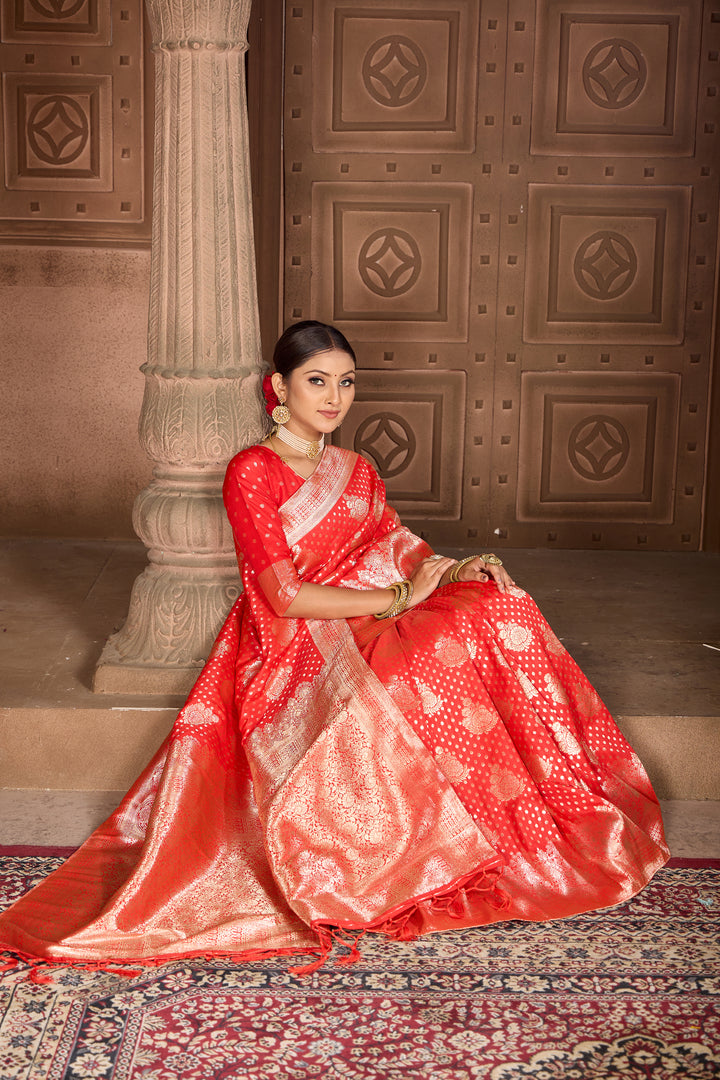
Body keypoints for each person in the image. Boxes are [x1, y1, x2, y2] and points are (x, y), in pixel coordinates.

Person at [0, 321, 668, 976]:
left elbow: (393, 547)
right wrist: (399, 602)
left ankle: (535, 822)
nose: (333, 397)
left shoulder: (356, 468)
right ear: (279, 388)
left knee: (496, 608)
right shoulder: (252, 472)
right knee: (419, 662)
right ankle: (428, 849)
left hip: (369, 605)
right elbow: (284, 596)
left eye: (346, 383)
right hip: (292, 642)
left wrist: (455, 571)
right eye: (317, 381)